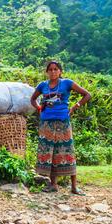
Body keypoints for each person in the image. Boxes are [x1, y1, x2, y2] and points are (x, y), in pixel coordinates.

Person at [30, 60, 91, 194]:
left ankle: (74, 187)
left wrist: (75, 106)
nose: (53, 72)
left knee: (67, 151)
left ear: (60, 71)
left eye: (55, 69)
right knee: (50, 152)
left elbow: (87, 95)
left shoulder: (67, 83)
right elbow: (32, 99)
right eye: (50, 69)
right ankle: (53, 185)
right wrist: (39, 108)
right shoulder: (42, 86)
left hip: (63, 122)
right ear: (47, 72)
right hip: (46, 124)